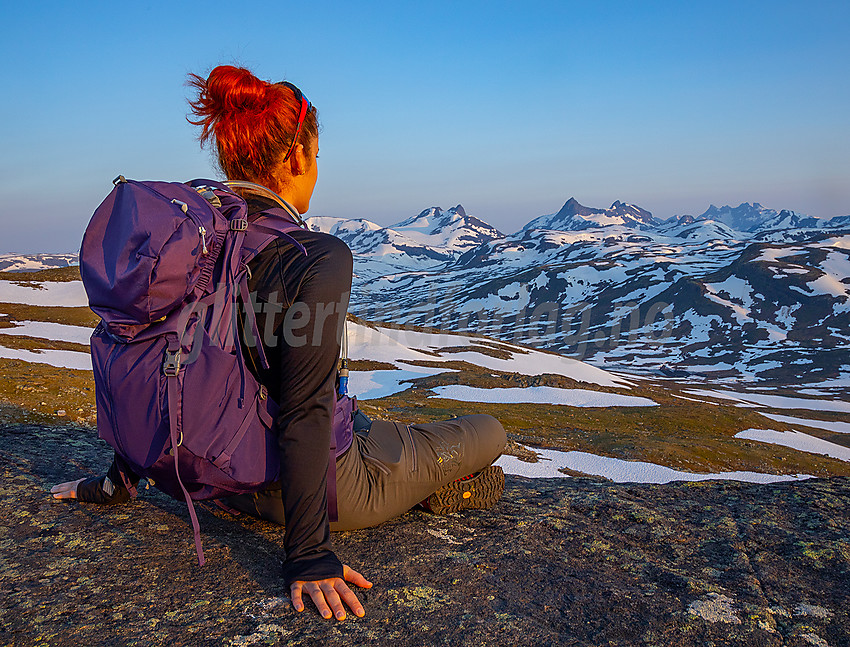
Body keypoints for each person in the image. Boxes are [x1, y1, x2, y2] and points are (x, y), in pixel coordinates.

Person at [51, 65, 507, 622]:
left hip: (204, 477)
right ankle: (435, 489)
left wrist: (116, 482)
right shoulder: (315, 256)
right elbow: (306, 409)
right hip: (311, 488)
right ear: (296, 158)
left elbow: (157, 350)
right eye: (316, 156)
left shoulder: (194, 235)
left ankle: (403, 464)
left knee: (383, 431)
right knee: (489, 431)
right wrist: (309, 556)